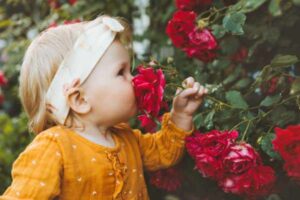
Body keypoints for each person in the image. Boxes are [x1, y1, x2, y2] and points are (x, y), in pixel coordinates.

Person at [0, 15, 208, 200]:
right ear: (80, 100)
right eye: (121, 72)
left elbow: (164, 153)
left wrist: (181, 115)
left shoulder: (126, 137)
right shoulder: (53, 148)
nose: (133, 79)